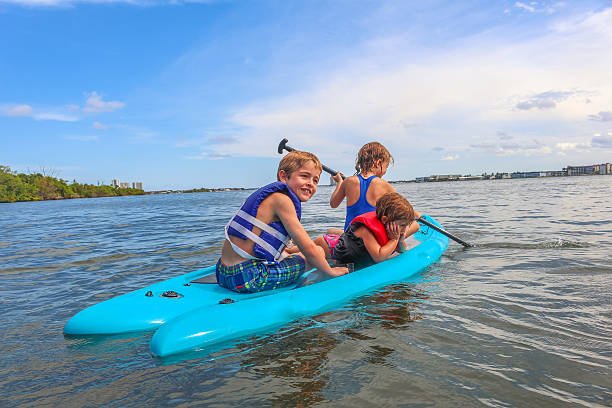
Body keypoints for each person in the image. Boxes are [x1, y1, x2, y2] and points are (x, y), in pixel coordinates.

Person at [216, 150, 349, 293]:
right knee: (318, 251)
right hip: (249, 277)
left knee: (292, 253)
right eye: (305, 176)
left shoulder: (270, 196)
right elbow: (309, 250)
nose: (310, 184)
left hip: (222, 272)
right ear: (283, 176)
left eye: (315, 180)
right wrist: (330, 271)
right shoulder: (283, 201)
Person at [315, 192, 416, 271]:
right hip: (332, 247)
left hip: (351, 246)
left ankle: (333, 232)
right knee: (308, 250)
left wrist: (400, 239)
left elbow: (402, 250)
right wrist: (394, 240)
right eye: (402, 225)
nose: (404, 229)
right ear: (385, 220)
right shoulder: (366, 230)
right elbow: (379, 257)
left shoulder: (393, 231)